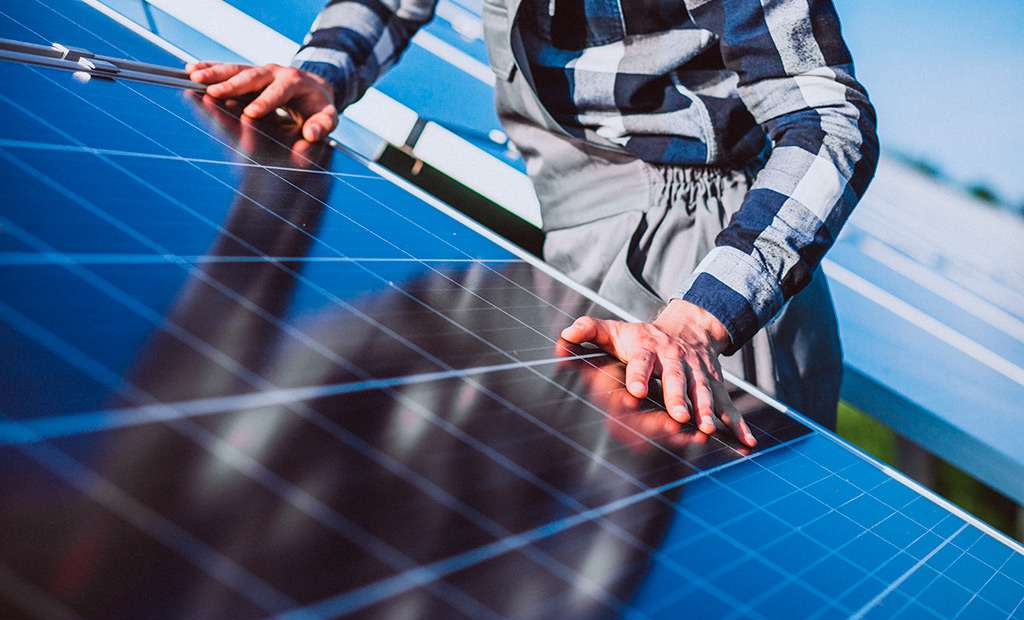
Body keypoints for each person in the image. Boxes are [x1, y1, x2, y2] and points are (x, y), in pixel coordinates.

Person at [187, 0, 878, 446]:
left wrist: (700, 318)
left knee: (713, 588)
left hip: (706, 277)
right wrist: (324, 72)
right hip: (574, 248)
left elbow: (829, 122)